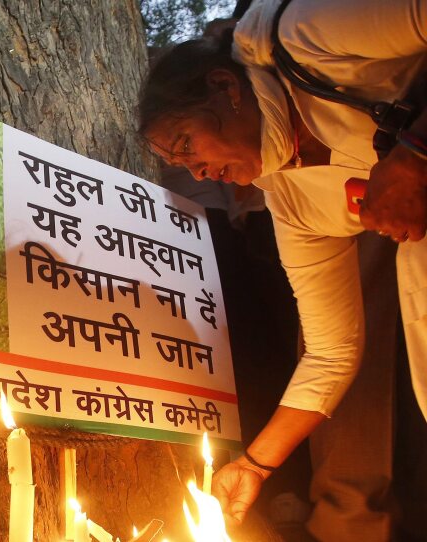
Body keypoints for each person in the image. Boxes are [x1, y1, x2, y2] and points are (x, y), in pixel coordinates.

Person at [138, 0, 426, 539]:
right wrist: (255, 465)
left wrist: (413, 154)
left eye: (187, 144)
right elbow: (331, 351)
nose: (198, 170)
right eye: (184, 167)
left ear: (226, 86)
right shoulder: (291, 201)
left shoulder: (307, 37)